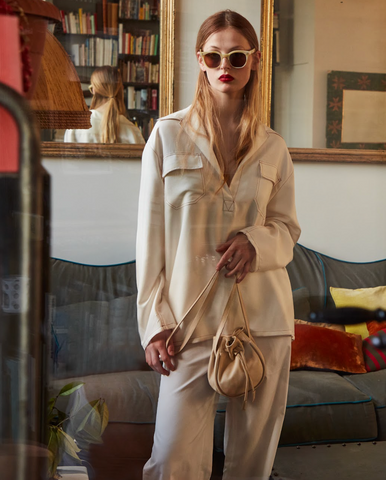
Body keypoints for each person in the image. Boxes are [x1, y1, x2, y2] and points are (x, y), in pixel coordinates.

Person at [136, 10, 301, 480]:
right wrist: (153, 324)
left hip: (264, 322)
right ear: (200, 61)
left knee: (252, 464)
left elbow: (287, 229)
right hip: (188, 323)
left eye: (236, 55)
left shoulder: (274, 148)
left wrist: (255, 242)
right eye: (214, 55)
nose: (224, 64)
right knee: (173, 462)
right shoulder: (167, 135)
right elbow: (149, 240)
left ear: (254, 62)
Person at [64, 66, 145, 144]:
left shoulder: (76, 127)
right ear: (120, 91)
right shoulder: (133, 131)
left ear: (94, 90)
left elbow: (66, 157)